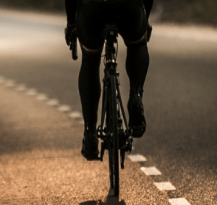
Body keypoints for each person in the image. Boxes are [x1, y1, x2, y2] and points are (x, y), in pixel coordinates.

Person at [65, 0, 153, 160]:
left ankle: (90, 133)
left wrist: (71, 24)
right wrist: (145, 18)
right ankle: (136, 97)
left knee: (90, 60)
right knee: (138, 45)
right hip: (129, 7)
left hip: (91, 8)